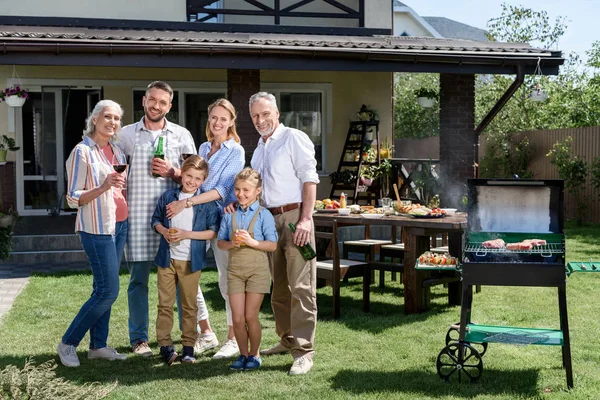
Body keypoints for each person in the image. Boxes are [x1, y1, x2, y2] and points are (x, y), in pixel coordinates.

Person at [118, 81, 196, 356]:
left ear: (169, 106)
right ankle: (138, 338)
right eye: (152, 100)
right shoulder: (126, 135)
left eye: (163, 102)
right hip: (138, 218)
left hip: (172, 220)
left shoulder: (181, 135)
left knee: (176, 281)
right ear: (143, 100)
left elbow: (194, 178)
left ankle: (182, 338)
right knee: (138, 280)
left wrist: (173, 172)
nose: (156, 105)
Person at [166, 98, 245, 359]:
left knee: (226, 281)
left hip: (223, 222)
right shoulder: (203, 148)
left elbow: (223, 190)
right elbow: (196, 181)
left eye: (224, 118)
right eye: (214, 117)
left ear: (231, 121)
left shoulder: (236, 151)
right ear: (209, 118)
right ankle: (207, 332)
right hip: (197, 220)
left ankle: (233, 339)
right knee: (187, 275)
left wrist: (186, 201)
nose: (218, 122)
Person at [248, 92, 320, 375]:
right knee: (278, 286)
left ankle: (304, 351)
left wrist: (305, 219)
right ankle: (287, 338)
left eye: (265, 114)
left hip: (294, 219)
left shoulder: (294, 138)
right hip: (269, 220)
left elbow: (309, 178)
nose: (261, 120)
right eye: (255, 115)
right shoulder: (260, 147)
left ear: (276, 113)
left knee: (301, 286)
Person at [58, 100, 128, 367]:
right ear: (95, 119)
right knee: (108, 291)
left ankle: (98, 346)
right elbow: (72, 198)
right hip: (96, 229)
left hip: (119, 226)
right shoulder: (82, 152)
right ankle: (67, 343)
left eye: (117, 118)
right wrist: (102, 186)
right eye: (107, 117)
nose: (112, 122)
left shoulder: (118, 152)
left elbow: (119, 189)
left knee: (102, 288)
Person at [151, 155, 219, 365]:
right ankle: (165, 346)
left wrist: (185, 234)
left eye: (198, 178)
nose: (191, 181)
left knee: (189, 306)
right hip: (167, 259)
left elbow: (212, 233)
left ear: (204, 179)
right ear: (182, 173)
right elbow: (155, 220)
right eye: (188, 175)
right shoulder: (169, 196)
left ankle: (188, 348)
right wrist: (163, 231)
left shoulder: (206, 203)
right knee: (165, 304)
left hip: (191, 261)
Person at [217, 168, 278, 371]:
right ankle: (243, 354)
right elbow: (220, 243)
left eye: (246, 190)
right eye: (237, 190)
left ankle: (255, 354)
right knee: (237, 318)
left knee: (251, 316)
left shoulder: (264, 215)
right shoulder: (229, 215)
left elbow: (273, 245)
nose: (241, 194)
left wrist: (252, 242)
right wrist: (232, 244)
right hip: (235, 271)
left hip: (257, 271)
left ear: (257, 191)